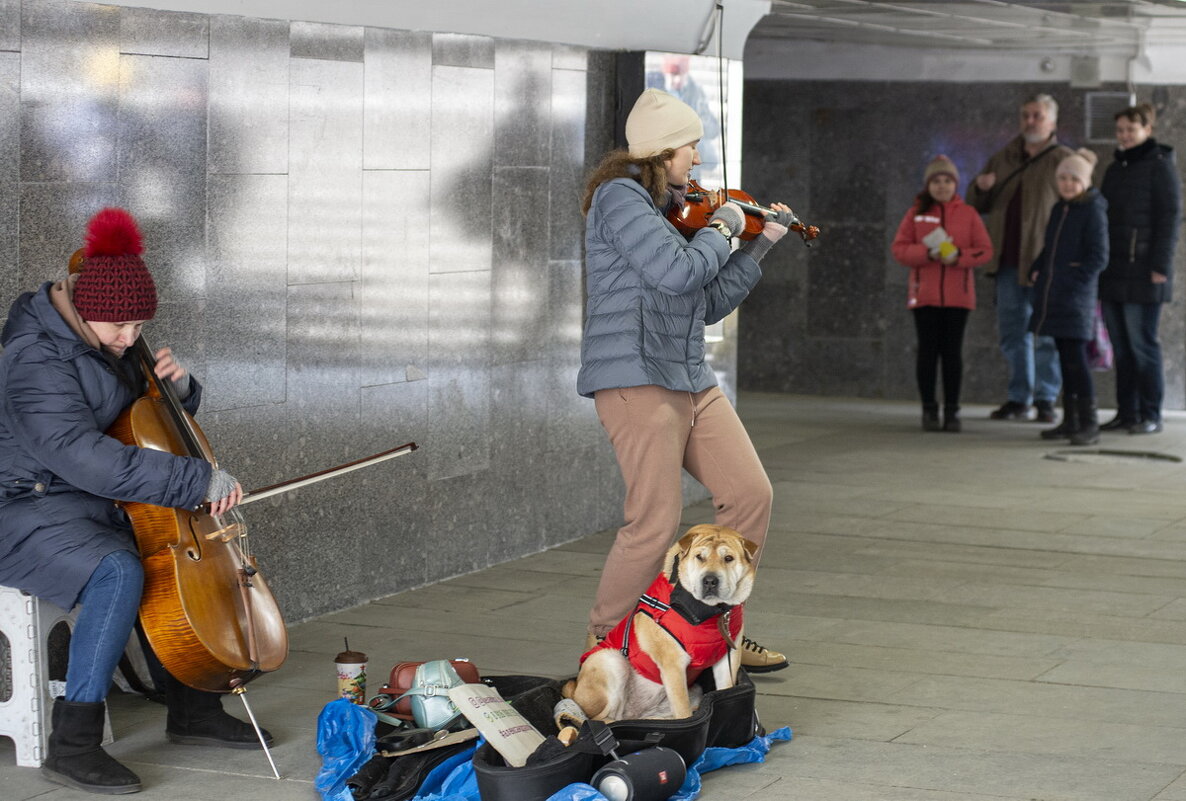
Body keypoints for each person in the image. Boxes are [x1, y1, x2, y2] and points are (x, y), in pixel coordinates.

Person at [0, 208, 268, 795]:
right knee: (118, 569)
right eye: (118, 327)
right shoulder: (33, 359)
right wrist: (194, 482)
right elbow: (80, 453)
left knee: (162, 556)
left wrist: (178, 391)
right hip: (19, 509)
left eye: (139, 325)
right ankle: (73, 746)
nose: (129, 339)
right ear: (79, 306)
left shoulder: (103, 339)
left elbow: (138, 425)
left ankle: (192, 709)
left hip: (80, 503)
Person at [577, 88, 793, 673]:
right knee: (653, 523)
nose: (697, 160)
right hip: (636, 376)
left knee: (750, 495)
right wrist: (723, 228)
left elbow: (706, 300)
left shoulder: (668, 209)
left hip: (689, 376)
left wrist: (761, 243)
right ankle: (608, 645)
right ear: (664, 148)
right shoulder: (620, 199)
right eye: (692, 146)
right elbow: (678, 273)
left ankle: (711, 631)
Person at [967, 94, 1073, 423]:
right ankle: (1018, 398)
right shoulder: (1003, 158)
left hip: (1045, 264)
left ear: (1052, 122)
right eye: (1026, 115)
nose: (1031, 121)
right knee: (1013, 334)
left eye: (1038, 116)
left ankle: (1045, 399)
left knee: (1047, 336)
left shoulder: (1063, 160)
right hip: (1007, 263)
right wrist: (980, 188)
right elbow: (974, 203)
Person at [891, 155, 994, 432]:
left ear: (955, 184)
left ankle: (951, 412)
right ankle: (929, 411)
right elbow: (899, 249)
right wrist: (928, 253)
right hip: (924, 296)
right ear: (928, 185)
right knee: (927, 353)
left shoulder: (968, 214)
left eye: (947, 181)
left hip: (958, 298)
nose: (942, 186)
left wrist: (958, 256)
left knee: (952, 354)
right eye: (936, 181)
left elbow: (984, 250)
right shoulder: (915, 213)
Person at [1098, 103, 1182, 435]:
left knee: (1142, 344)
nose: (1124, 136)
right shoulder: (1115, 169)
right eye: (1120, 131)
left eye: (1131, 130)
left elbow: (1170, 218)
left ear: (1147, 130)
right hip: (1113, 270)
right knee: (1121, 347)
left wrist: (1160, 266)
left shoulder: (1160, 167)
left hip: (1145, 271)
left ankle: (1151, 413)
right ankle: (1127, 412)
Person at [1029, 150, 1109, 445]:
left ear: (1085, 182)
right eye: (1062, 178)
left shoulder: (1093, 210)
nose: (1067, 184)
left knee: (1077, 361)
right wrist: (1038, 268)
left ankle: (1089, 423)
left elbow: (1098, 258)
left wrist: (1072, 282)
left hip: (1075, 299)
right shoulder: (1059, 209)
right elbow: (1049, 249)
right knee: (1065, 360)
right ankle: (1071, 420)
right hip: (1055, 297)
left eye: (1073, 179)